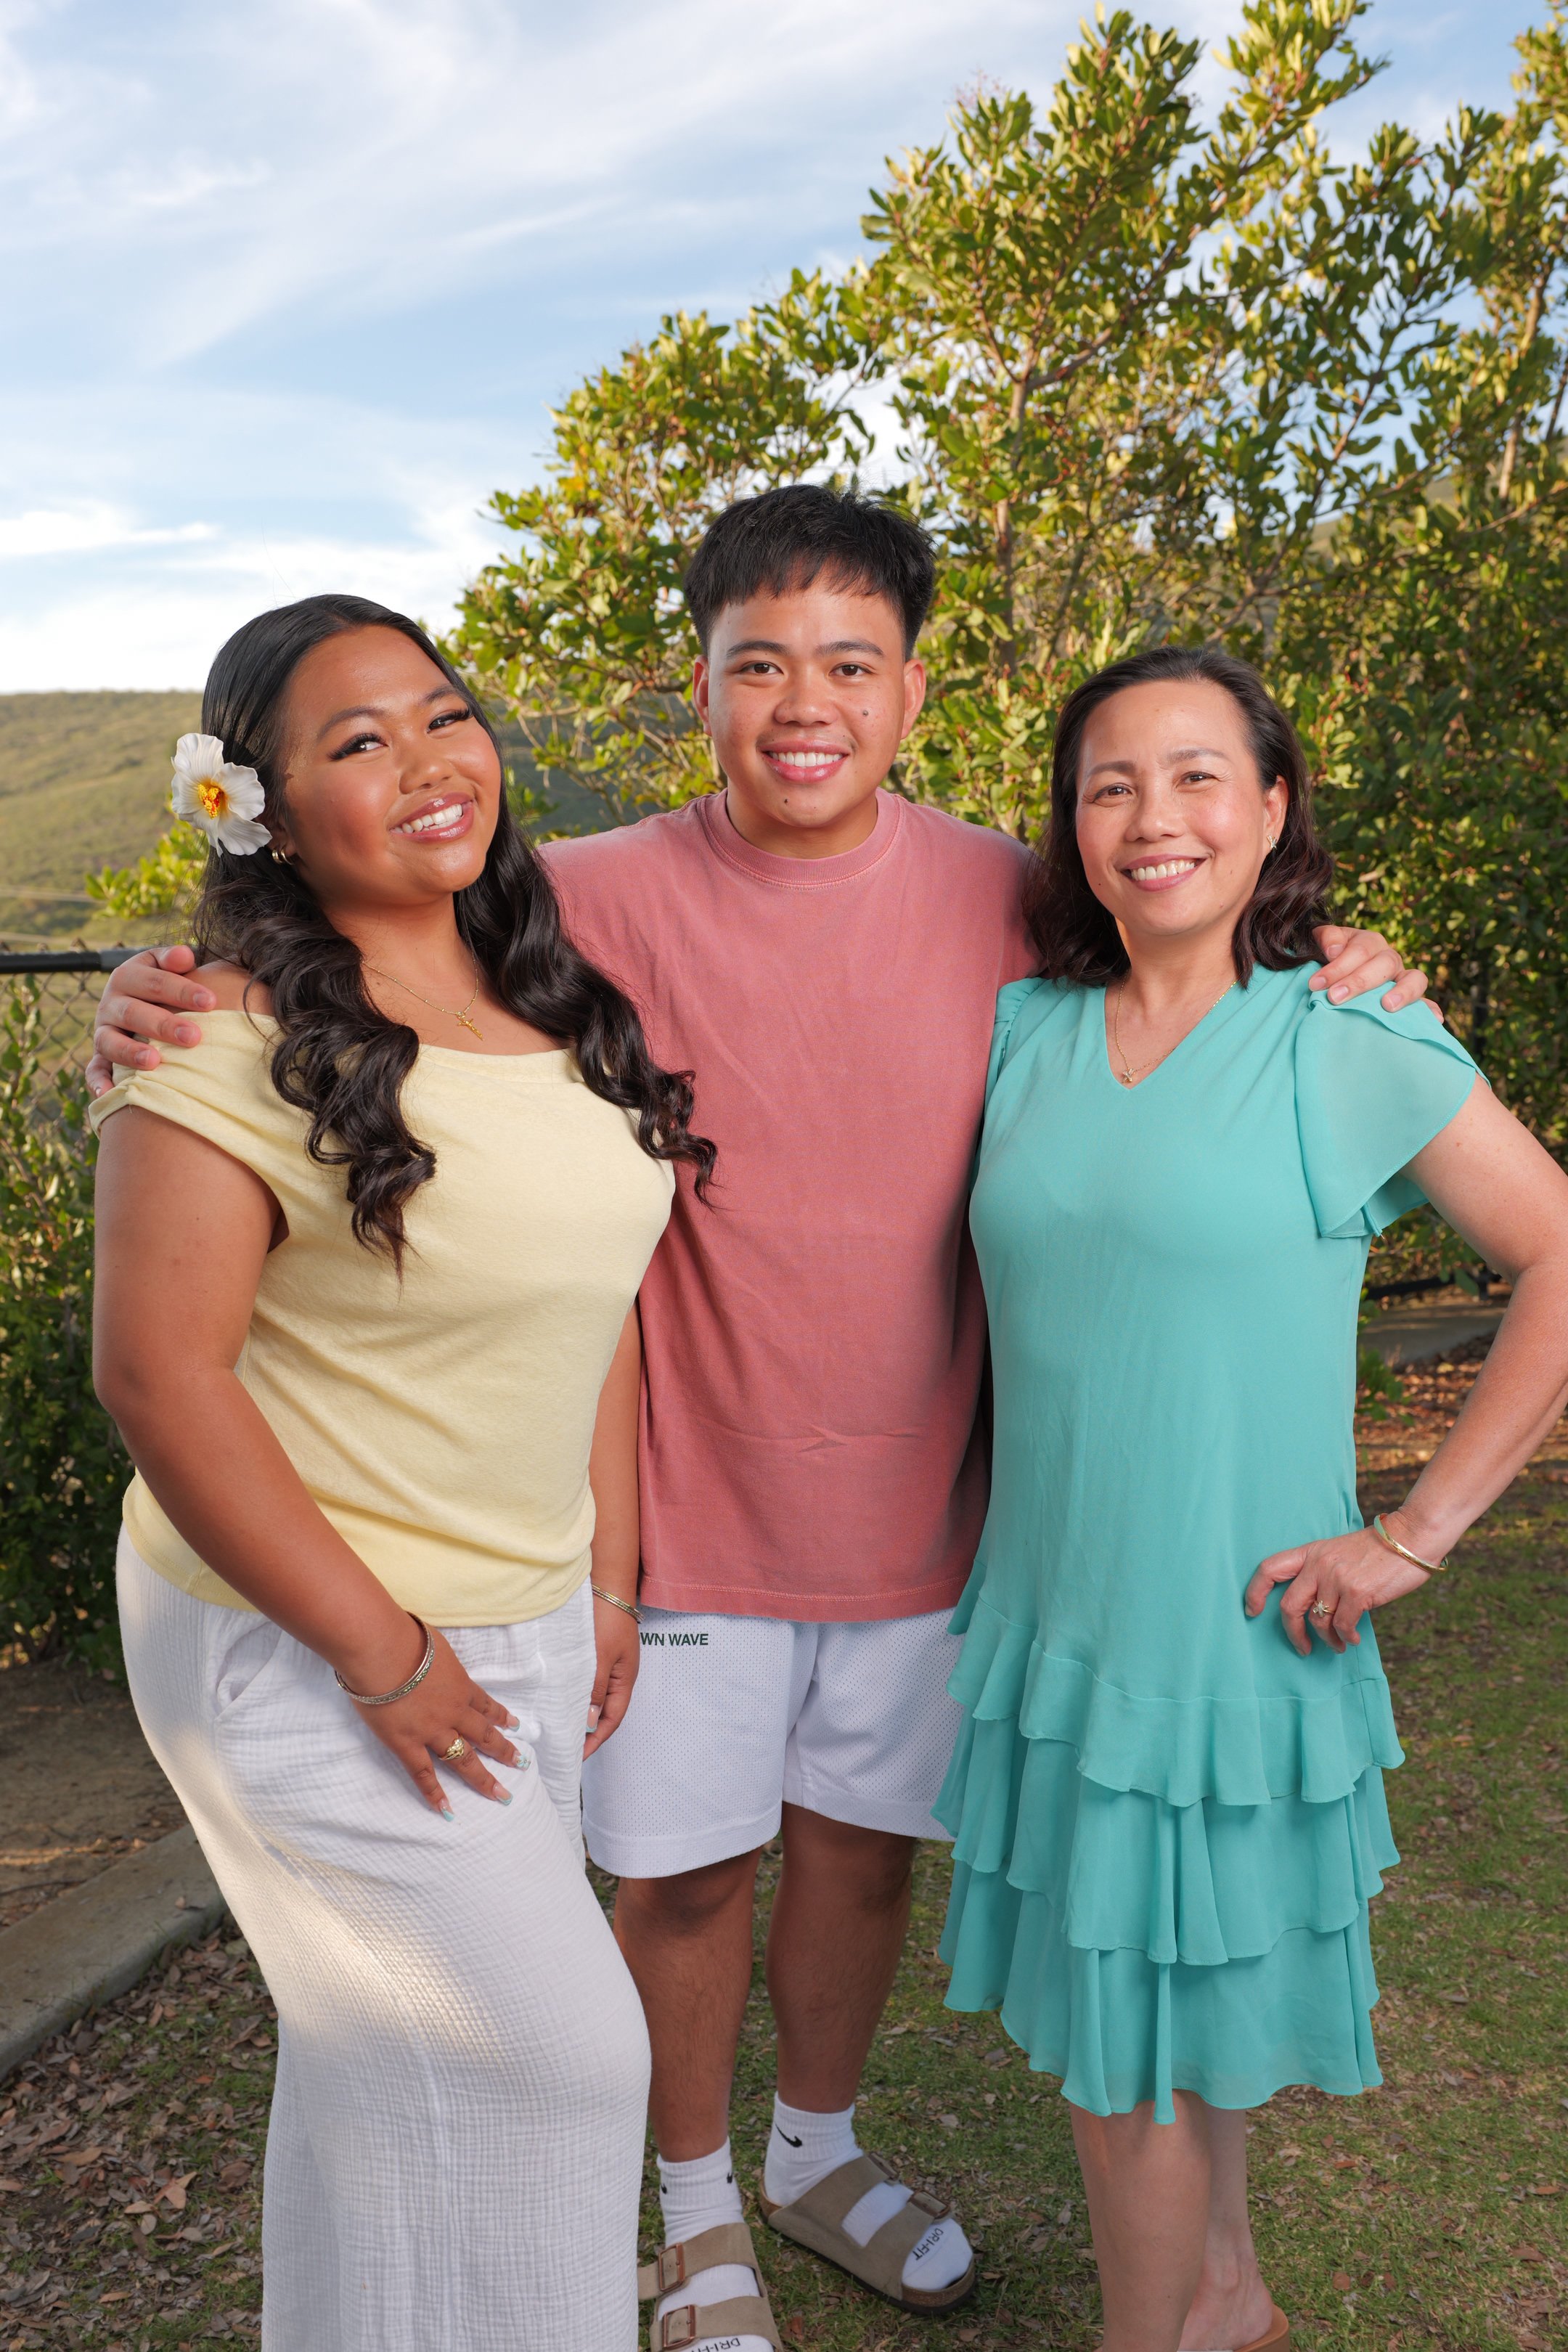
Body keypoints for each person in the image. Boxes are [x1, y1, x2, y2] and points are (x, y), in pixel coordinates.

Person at [89, 494, 1427, 2352]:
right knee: (688, 1873)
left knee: (863, 1855)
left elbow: (1183, 944)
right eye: (759, 664)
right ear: (698, 686)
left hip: (931, 1515)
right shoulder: (571, 893)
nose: (807, 704)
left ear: (913, 691)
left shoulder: (1005, 891)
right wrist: (163, 993)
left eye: (852, 665)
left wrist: (1345, 960)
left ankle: (817, 2153)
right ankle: (697, 2213)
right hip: (680, 1508)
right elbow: (340, 940)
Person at [90, 595, 716, 2352]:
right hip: (310, 1636)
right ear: (261, 810)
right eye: (358, 742)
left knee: (389, 2092)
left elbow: (596, 1306)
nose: (431, 764)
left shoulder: (540, 989)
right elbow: (156, 1373)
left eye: (444, 716)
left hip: (514, 1618)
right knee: (570, 2065)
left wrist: (606, 1580)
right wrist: (389, 1651)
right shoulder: (206, 1032)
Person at [938, 642, 1568, 2352]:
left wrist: (1415, 1532)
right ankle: (1222, 2296)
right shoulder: (1026, 1027)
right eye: (1109, 784)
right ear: (1069, 826)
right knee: (1153, 2005)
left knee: (1132, 2031)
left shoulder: (1343, 1036)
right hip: (1056, 1610)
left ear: (1273, 805)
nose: (1155, 817)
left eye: (1199, 774)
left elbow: (1559, 1251)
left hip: (1222, 1628)